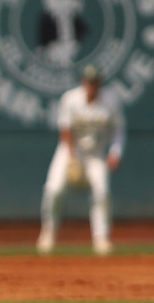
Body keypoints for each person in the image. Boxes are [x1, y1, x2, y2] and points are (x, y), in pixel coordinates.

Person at [38, 64, 124, 256]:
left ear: (99, 83)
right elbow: (65, 130)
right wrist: (72, 158)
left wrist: (116, 152)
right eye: (89, 81)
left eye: (95, 82)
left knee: (102, 193)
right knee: (54, 190)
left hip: (95, 154)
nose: (92, 85)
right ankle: (48, 233)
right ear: (82, 82)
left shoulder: (111, 100)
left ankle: (101, 239)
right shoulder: (70, 99)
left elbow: (118, 130)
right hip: (70, 151)